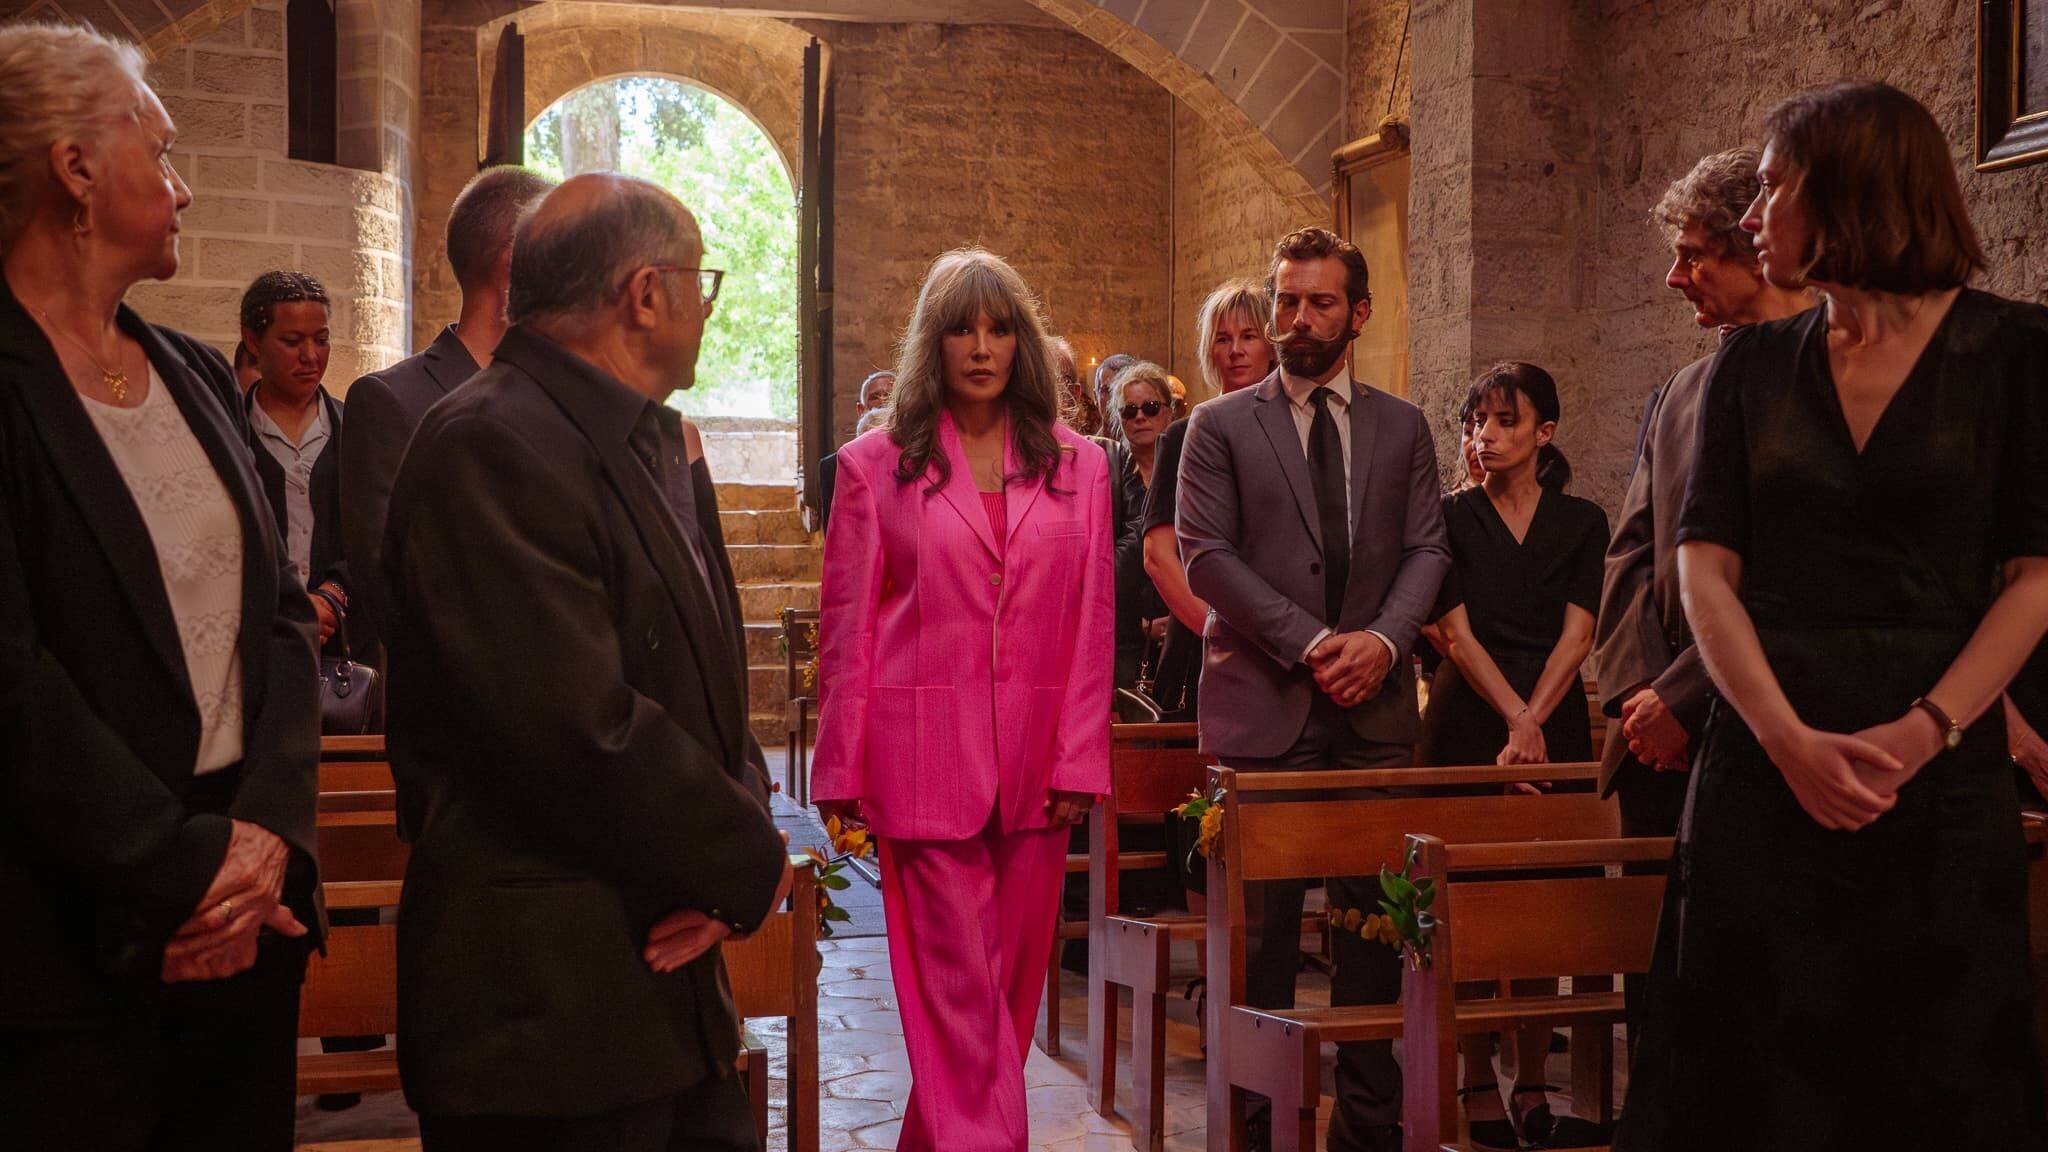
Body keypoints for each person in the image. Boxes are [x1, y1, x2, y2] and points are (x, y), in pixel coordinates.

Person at [1617, 82, 2048, 1151]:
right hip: (1762, 766)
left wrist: (1923, 731)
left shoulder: (2014, 353)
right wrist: (1781, 742)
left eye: (1770, 189)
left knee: (1933, 1068)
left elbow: (2035, 576)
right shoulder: (1751, 367)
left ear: (1845, 190)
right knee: (1749, 1075)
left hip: (1935, 768)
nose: (1754, 216)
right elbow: (1704, 573)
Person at [381, 173, 792, 1152]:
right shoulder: (493, 440)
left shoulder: (625, 439)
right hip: (548, 1024)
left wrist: (735, 829)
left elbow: (700, 681)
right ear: (645, 294)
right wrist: (750, 858)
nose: (704, 307)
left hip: (654, 996)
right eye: (702, 282)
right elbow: (575, 726)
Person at [0, 22, 321, 1150]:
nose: (181, 188)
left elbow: (281, 614)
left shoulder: (186, 369)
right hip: (71, 940)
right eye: (161, 147)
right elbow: (13, 682)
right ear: (76, 169)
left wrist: (268, 834)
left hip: (250, 909)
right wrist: (185, 871)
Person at [810, 247, 1113, 1151]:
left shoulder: (1082, 467)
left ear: (1021, 341)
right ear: (929, 345)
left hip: (1039, 768)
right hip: (920, 765)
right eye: (960, 328)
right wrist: (839, 769)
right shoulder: (873, 468)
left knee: (1004, 1008)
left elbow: (1093, 625)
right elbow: (848, 630)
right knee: (957, 1003)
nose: (981, 346)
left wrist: (1081, 758)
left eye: (999, 327)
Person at [1178, 227, 1450, 1152]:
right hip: (1265, 710)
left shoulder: (1402, 425)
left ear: (1358, 314)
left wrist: (1381, 642)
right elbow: (1207, 558)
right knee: (1261, 944)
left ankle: (1367, 1132)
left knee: (1376, 935)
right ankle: (1251, 1131)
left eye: (1319, 302)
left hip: (1371, 716)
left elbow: (1427, 549)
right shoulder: (1220, 427)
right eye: (1287, 300)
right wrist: (1317, 644)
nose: (1297, 318)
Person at [1415, 362, 1610, 1149]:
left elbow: (1580, 632)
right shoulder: (1447, 516)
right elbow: (1453, 634)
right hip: (1470, 719)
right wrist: (1511, 716)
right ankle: (1473, 1084)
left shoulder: (1582, 521)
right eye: (1472, 422)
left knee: (1541, 910)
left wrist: (1534, 721)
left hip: (1552, 719)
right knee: (1468, 913)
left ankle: (1532, 1086)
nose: (1482, 437)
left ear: (1544, 433)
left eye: (1501, 421)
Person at [1594, 147, 1811, 838]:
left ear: (1756, 247)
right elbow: (1630, 558)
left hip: (1767, 726)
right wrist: (1640, 700)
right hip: (1653, 749)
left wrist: (1683, 698)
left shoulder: (1830, 381)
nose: (1673, 277)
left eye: (1692, 257)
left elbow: (1794, 571)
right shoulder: (1678, 395)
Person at [339, 165, 555, 665]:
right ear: (514, 265)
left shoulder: (555, 399)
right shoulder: (391, 401)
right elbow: (390, 592)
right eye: (561, 254)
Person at [1142, 278, 1276, 720]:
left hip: (1280, 649)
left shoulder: (1295, 434)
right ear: (1209, 351)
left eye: (1249, 336)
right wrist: (1218, 633)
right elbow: (1160, 557)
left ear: (1272, 346)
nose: (1236, 349)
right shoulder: (1181, 437)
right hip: (1200, 646)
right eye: (1223, 338)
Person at [238, 271, 349, 652]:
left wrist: (331, 596)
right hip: (255, 638)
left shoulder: (354, 428)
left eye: (321, 340)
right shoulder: (229, 431)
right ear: (253, 340)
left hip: (341, 644)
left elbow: (377, 534)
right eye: (291, 341)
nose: (310, 356)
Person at [1105, 359, 1174, 692]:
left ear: (1169, 412)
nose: (1140, 417)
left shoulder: (1189, 471)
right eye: (1129, 411)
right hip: (1122, 638)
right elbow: (1102, 562)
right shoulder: (1107, 474)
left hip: (1182, 629)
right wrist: (1139, 625)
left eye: (1149, 407)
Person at [816, 369, 895, 530]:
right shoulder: (834, 466)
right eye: (875, 397)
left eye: (891, 395)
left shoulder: (922, 458)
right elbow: (835, 532)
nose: (884, 401)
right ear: (861, 410)